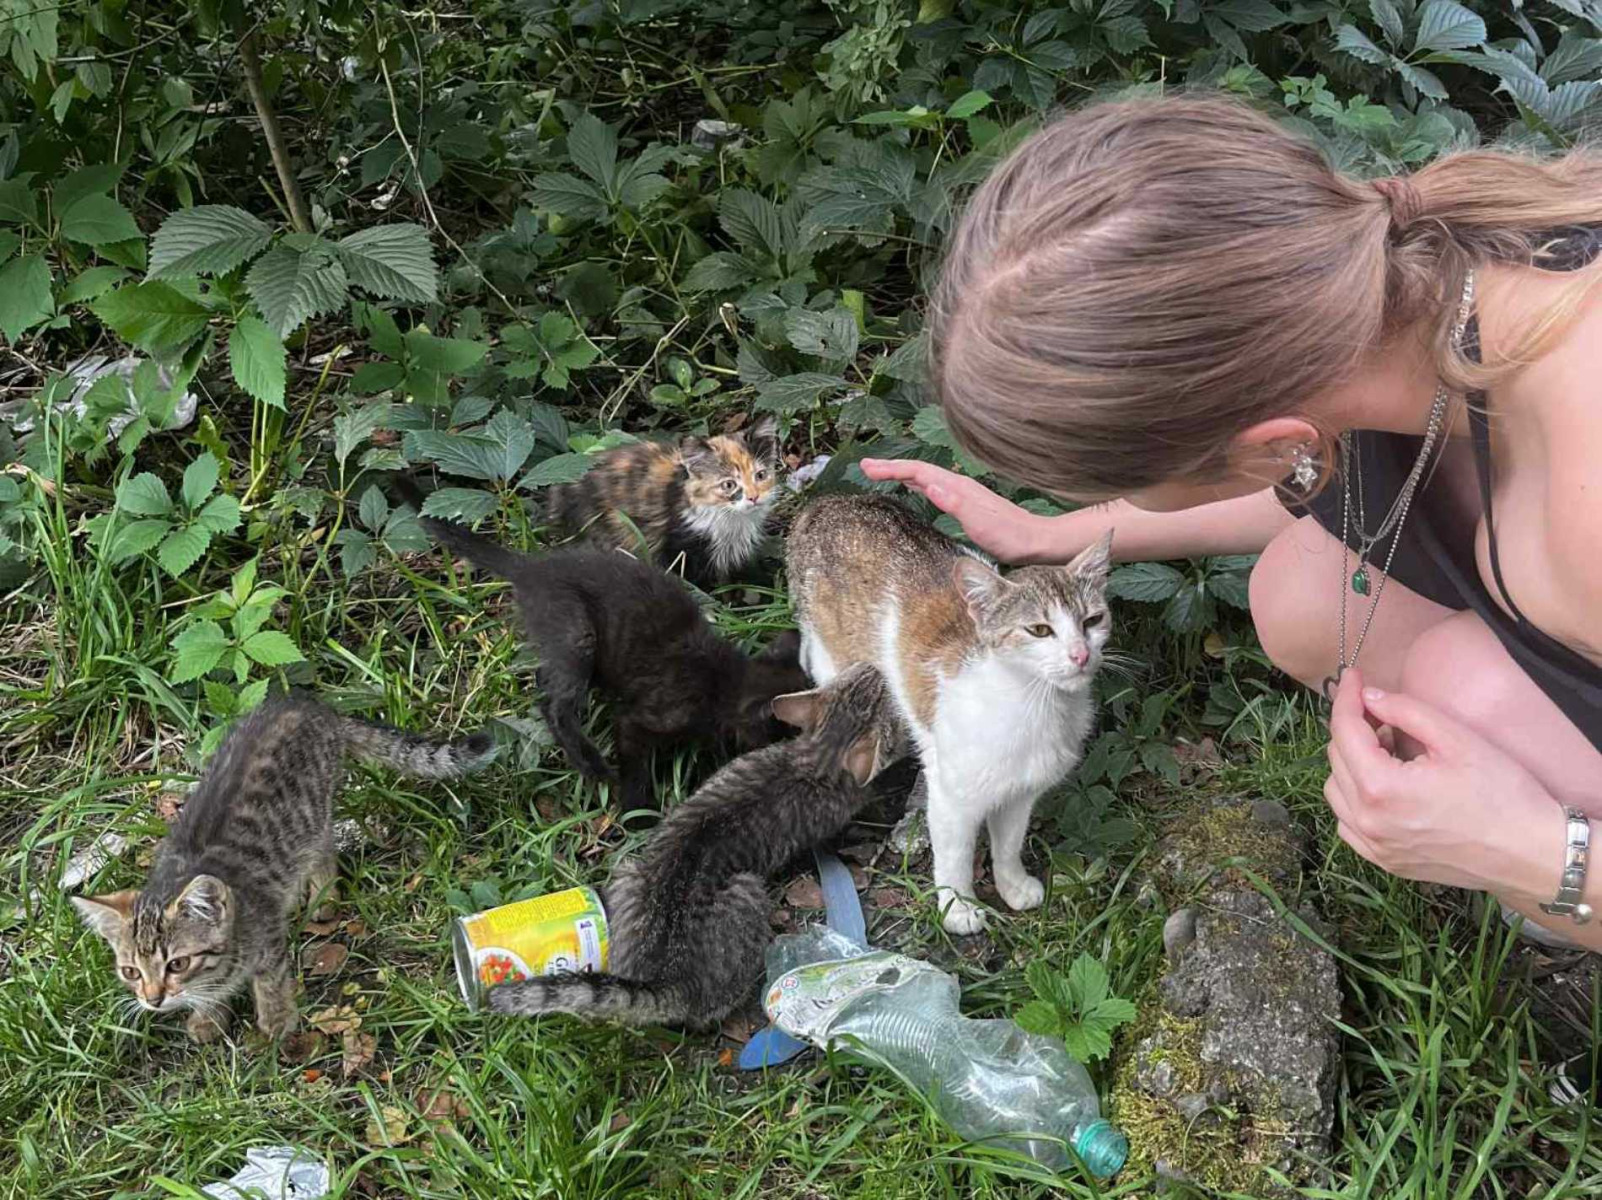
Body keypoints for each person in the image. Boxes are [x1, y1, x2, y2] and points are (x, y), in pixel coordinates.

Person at [861, 95, 1602, 951]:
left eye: (1139, 487)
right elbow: (1318, 480)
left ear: (1270, 441)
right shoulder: (1393, 279)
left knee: (1454, 682)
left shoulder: (1584, 501)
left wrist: (1535, 851)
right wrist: (1050, 539)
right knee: (1303, 590)